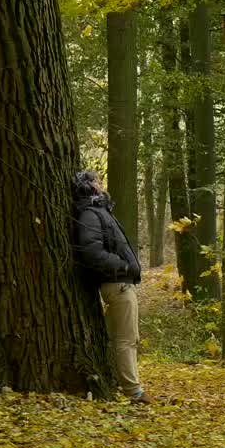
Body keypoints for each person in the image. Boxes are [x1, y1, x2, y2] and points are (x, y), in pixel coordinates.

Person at [71, 170, 150, 404]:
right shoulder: (90, 214)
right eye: (96, 180)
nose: (100, 183)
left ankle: (127, 384)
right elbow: (91, 252)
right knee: (126, 339)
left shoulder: (99, 211)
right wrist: (124, 267)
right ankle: (134, 391)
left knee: (128, 337)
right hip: (117, 284)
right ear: (89, 186)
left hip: (121, 283)